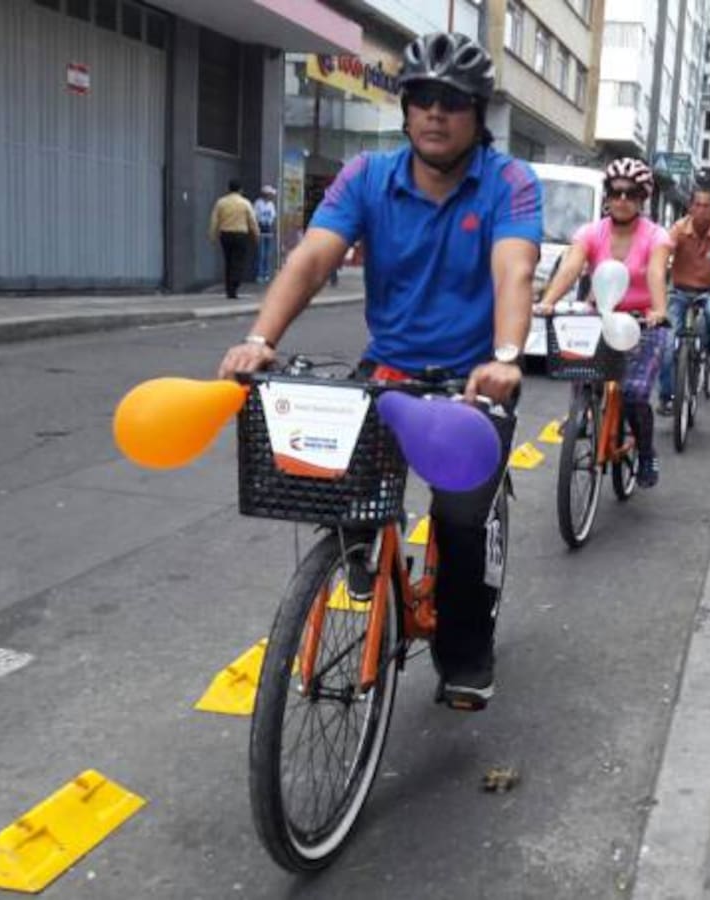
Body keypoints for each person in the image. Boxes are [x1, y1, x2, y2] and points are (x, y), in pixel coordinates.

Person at [217, 32, 541, 711]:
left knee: (458, 519)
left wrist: (507, 359)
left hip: (472, 382)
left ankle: (464, 649)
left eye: (453, 102)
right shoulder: (367, 175)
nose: (435, 113)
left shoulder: (509, 181)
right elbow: (310, 261)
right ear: (405, 109)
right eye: (422, 97)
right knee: (344, 500)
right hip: (388, 370)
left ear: (478, 115)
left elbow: (514, 271)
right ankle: (362, 558)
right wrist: (259, 338)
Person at [536, 157, 671, 487]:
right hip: (602, 313)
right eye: (616, 192)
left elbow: (655, 272)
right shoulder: (590, 232)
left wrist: (659, 309)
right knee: (582, 370)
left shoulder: (657, 236)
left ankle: (646, 452)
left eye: (631, 194)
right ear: (607, 196)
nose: (622, 200)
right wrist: (549, 301)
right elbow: (571, 267)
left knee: (636, 393)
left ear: (642, 199)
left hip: (643, 321)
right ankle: (585, 413)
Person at [656, 187, 710, 414]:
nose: (702, 210)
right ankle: (667, 396)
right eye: (697, 205)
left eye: (707, 206)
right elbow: (662, 252)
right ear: (690, 207)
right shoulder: (678, 229)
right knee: (667, 342)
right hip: (680, 290)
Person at [209, 180, 259, 299]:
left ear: (229, 189)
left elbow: (214, 220)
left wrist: (213, 235)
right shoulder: (245, 203)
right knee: (238, 261)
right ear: (240, 190)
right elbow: (252, 221)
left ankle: (229, 289)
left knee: (228, 260)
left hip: (225, 234)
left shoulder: (221, 202)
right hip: (240, 234)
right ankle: (234, 284)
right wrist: (256, 235)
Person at [254, 185, 278, 284]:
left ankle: (266, 274)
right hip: (261, 227)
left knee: (267, 253)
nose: (271, 196)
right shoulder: (258, 204)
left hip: (268, 228)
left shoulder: (271, 204)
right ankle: (260, 274)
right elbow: (255, 216)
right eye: (270, 194)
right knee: (261, 253)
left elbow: (273, 217)